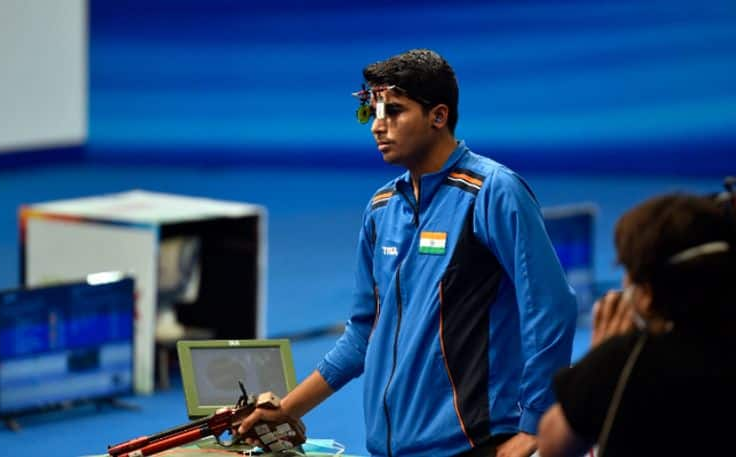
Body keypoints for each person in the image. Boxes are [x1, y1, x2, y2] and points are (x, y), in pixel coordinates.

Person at [239, 48, 577, 457]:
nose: (378, 127)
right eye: (372, 114)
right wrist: (287, 409)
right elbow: (364, 333)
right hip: (389, 449)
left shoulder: (492, 192)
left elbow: (551, 308)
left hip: (474, 444)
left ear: (438, 116)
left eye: (394, 111)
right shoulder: (381, 209)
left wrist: (536, 423)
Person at [537, 193, 736, 457]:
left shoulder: (625, 362)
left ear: (646, 294)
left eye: (627, 271)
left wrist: (598, 360)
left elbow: (553, 445)